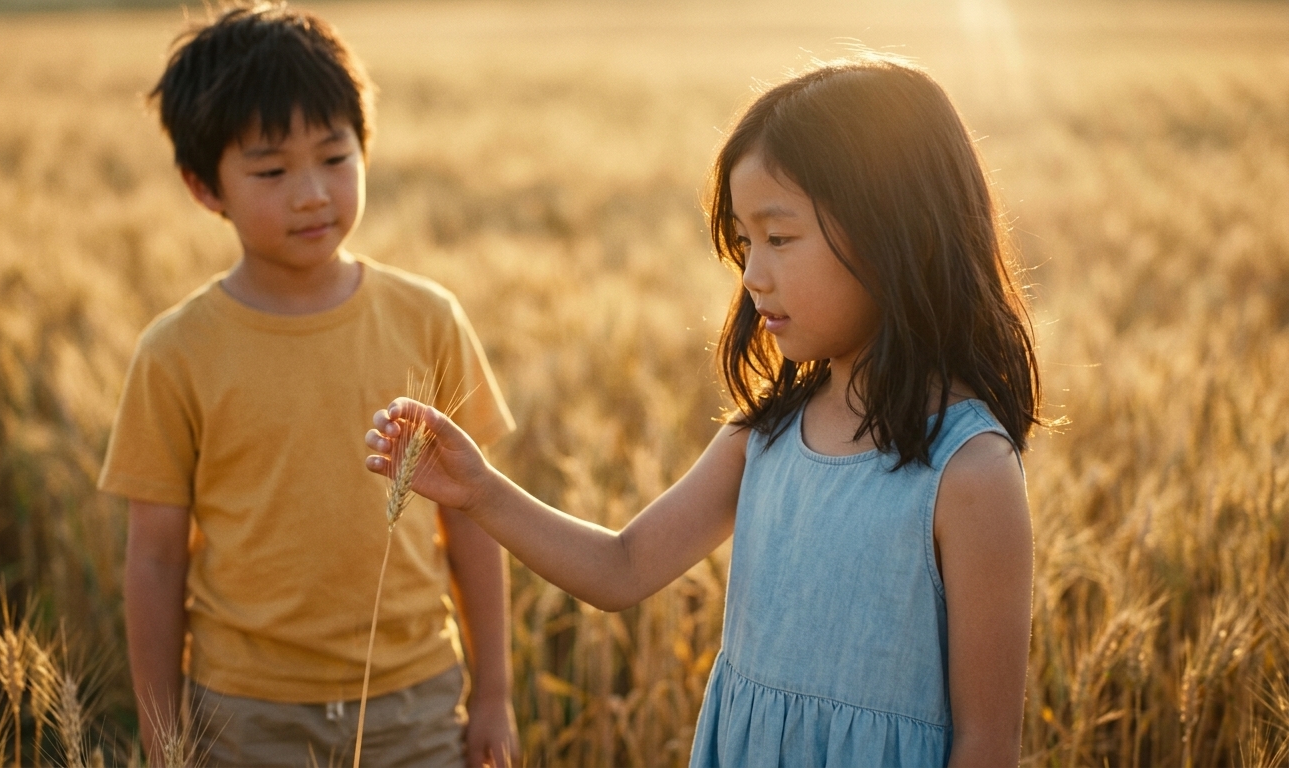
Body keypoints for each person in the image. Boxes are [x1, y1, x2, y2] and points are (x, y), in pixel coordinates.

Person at [366, 54, 1039, 768]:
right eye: (745, 244)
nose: (752, 274)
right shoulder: (765, 436)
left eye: (779, 238)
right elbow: (621, 568)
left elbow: (987, 742)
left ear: (899, 234)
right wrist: (480, 491)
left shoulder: (969, 473)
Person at [98, 4, 519, 766]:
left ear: (367, 149)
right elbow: (155, 558)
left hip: (417, 697)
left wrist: (493, 694)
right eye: (271, 170)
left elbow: (475, 524)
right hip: (243, 714)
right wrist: (164, 741)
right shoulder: (174, 352)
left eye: (335, 157)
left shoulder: (428, 318)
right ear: (204, 187)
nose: (312, 194)